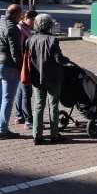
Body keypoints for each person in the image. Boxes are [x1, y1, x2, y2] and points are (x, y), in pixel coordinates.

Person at [26, 14, 68, 144]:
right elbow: (58, 59)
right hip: (53, 78)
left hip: (37, 78)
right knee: (53, 105)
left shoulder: (30, 40)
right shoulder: (53, 40)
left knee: (38, 105)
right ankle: (54, 135)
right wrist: (66, 60)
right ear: (49, 25)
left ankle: (36, 136)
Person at [0, 4, 23, 139]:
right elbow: (16, 54)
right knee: (7, 99)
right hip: (8, 67)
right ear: (16, 14)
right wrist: (21, 68)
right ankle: (3, 130)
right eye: (21, 15)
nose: (22, 18)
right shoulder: (12, 28)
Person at [14, 10, 38, 130]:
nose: (34, 23)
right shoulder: (21, 30)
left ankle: (19, 116)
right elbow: (20, 48)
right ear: (25, 18)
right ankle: (28, 120)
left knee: (20, 91)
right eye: (33, 20)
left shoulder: (24, 29)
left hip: (21, 64)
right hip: (23, 65)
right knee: (26, 92)